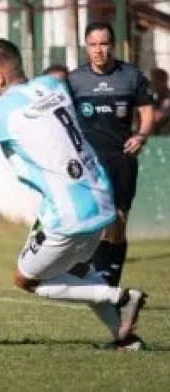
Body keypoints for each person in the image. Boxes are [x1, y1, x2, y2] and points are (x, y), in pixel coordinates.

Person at [0, 39, 147, 350]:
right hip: (100, 196)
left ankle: (119, 296)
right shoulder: (53, 85)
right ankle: (125, 338)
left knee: (26, 280)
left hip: (68, 211)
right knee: (80, 271)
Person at [68, 23, 155, 287]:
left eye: (104, 44)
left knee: (118, 220)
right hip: (88, 162)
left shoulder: (131, 76)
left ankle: (111, 277)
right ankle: (98, 276)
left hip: (121, 159)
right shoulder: (75, 80)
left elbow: (147, 111)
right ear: (86, 47)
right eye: (93, 45)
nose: (99, 50)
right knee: (93, 221)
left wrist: (141, 136)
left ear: (113, 45)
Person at [151, 67, 170, 134]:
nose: (154, 84)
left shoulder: (167, 98)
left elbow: (157, 117)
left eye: (156, 82)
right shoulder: (156, 96)